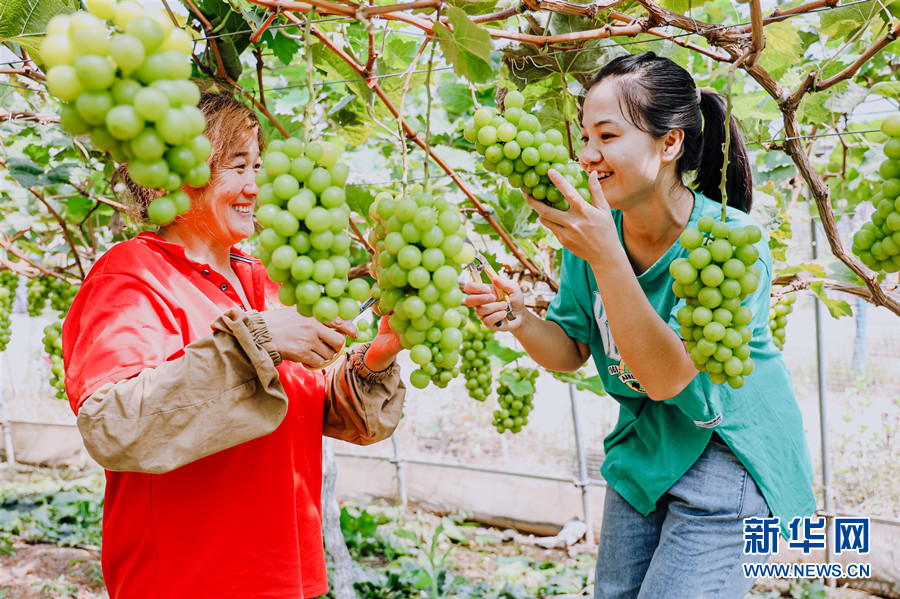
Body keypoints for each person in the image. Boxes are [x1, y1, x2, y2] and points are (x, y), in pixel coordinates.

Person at [464, 52, 816, 598]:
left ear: (670, 143)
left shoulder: (732, 247)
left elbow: (669, 379)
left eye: (606, 136)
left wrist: (605, 255)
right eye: (584, 138)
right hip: (647, 450)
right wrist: (517, 317)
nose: (587, 156)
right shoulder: (596, 236)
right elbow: (572, 347)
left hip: (729, 449)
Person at [62, 91, 406, 599]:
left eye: (258, 165)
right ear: (176, 173)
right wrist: (260, 340)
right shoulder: (131, 277)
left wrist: (374, 360)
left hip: (287, 577)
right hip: (189, 583)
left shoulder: (268, 282)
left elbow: (293, 407)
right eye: (236, 166)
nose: (254, 185)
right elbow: (115, 425)